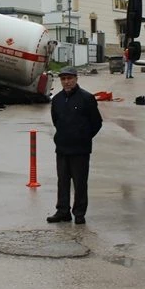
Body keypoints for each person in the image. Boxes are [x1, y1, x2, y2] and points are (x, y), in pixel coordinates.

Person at [47, 65, 103, 225]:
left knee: (79, 183)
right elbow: (56, 120)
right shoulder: (57, 100)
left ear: (76, 79)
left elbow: (96, 123)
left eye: (70, 78)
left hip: (80, 149)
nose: (67, 82)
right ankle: (63, 211)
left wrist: (83, 137)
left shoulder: (87, 98)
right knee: (62, 181)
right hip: (62, 148)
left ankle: (79, 213)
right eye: (63, 79)